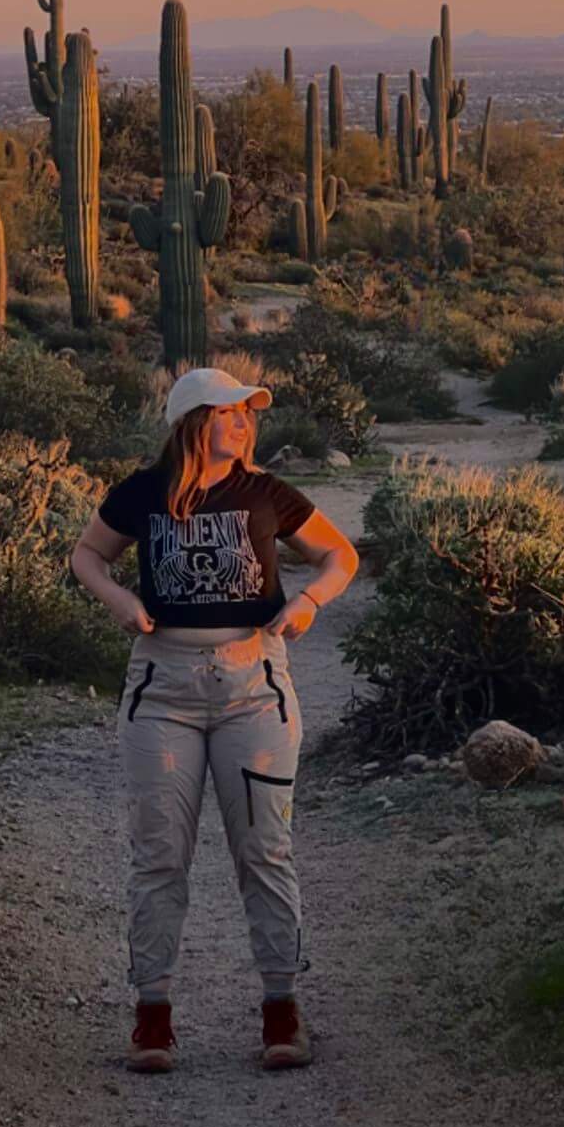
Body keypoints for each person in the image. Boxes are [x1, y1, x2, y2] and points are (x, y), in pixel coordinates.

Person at [69, 366, 360, 1074]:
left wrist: (309, 602)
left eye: (248, 414)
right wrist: (118, 601)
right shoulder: (141, 492)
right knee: (161, 852)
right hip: (160, 688)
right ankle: (153, 1018)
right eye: (231, 413)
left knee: (264, 847)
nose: (244, 424)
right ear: (195, 421)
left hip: (254, 685)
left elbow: (338, 554)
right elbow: (86, 555)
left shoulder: (265, 492)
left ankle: (282, 1010)